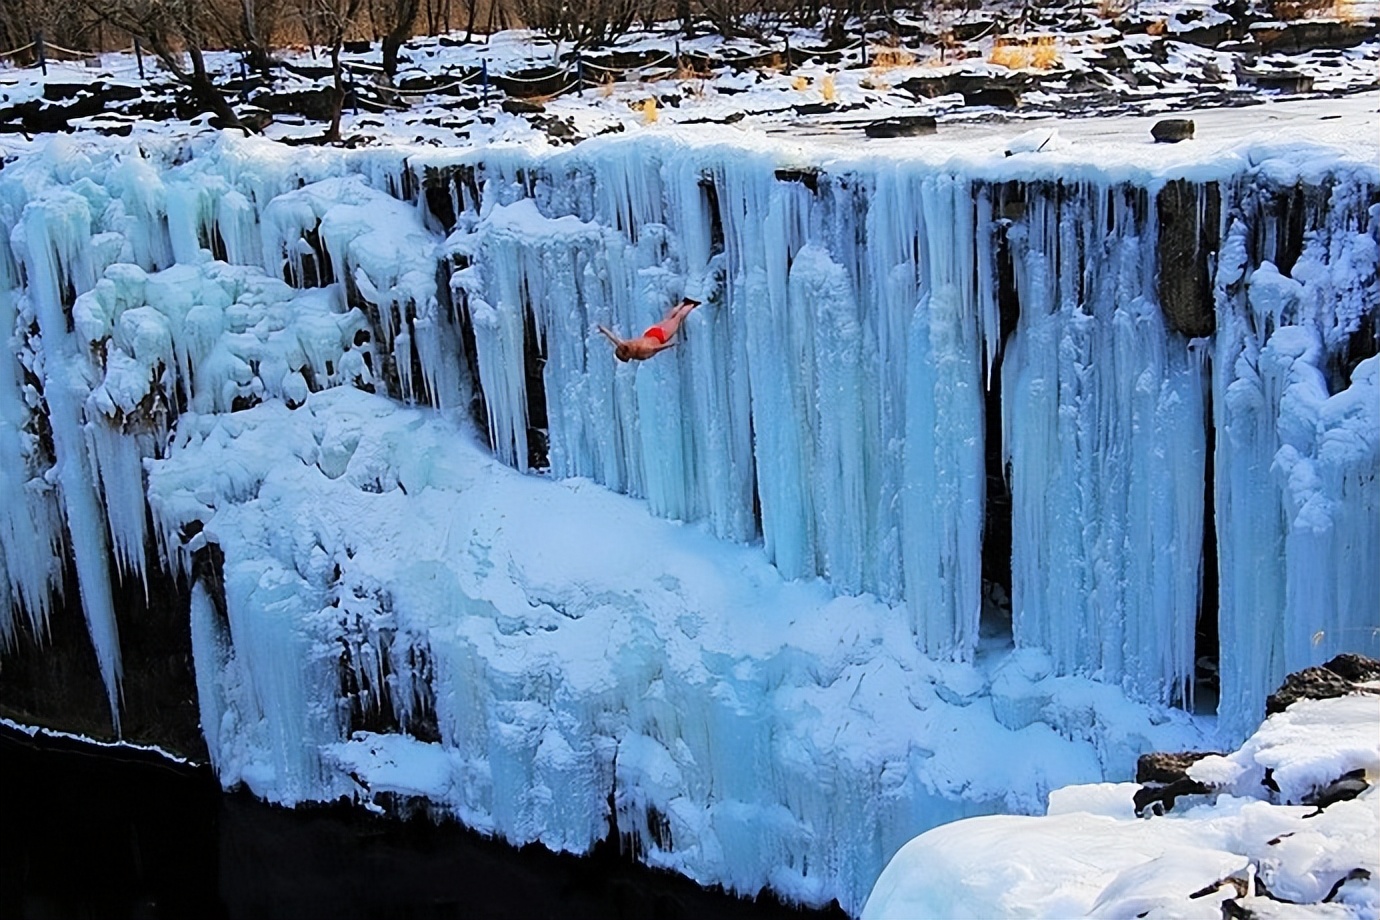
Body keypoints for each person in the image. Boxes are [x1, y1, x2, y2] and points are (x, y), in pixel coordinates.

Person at [598, 298, 700, 362]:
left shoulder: (640, 353)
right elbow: (613, 338)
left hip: (661, 336)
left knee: (678, 319)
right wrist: (603, 330)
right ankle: (683, 303)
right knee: (668, 318)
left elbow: (656, 348)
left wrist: (671, 344)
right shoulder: (625, 345)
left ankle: (692, 304)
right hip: (650, 332)